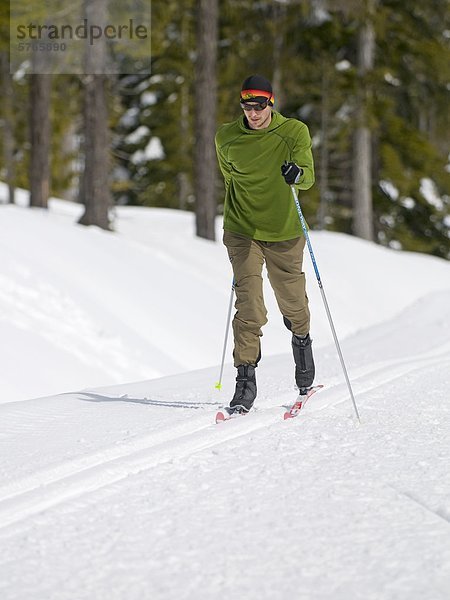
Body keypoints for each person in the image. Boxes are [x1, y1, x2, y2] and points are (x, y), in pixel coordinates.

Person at [215, 74, 316, 414]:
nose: (253, 114)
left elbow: (308, 174)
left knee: (293, 304)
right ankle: (245, 381)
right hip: (243, 230)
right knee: (250, 306)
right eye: (247, 107)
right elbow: (229, 178)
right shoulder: (227, 137)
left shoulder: (293, 132)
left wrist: (296, 175)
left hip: (284, 232)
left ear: (271, 104)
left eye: (259, 107)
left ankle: (301, 343)